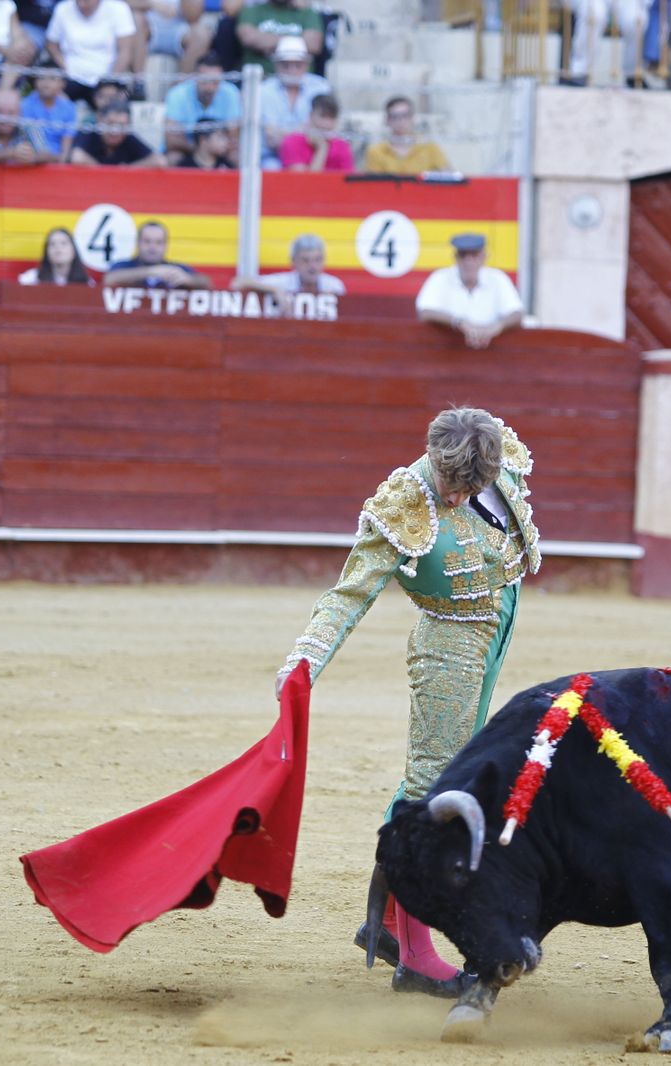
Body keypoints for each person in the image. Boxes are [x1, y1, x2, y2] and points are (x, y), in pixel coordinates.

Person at [277, 406, 541, 998]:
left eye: (468, 487)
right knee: (433, 788)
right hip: (447, 647)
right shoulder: (403, 504)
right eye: (450, 485)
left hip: (495, 630)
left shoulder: (504, 468)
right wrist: (304, 660)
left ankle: (390, 923)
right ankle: (415, 956)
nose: (455, 497)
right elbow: (349, 594)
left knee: (455, 775)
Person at [415, 233, 525, 350]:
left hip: (492, 352)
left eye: (474, 255)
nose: (468, 261)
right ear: (456, 257)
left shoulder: (497, 278)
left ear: (484, 257)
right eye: (463, 255)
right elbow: (425, 312)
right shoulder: (440, 277)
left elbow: (517, 313)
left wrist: (497, 327)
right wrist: (459, 323)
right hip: (448, 352)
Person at [45, 0, 136, 102]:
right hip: (71, 77)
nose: (82, 4)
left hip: (109, 76)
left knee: (116, 103)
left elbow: (125, 50)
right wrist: (66, 68)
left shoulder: (119, 9)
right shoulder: (63, 8)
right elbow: (51, 45)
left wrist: (110, 82)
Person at [258, 34, 326, 169]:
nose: (292, 70)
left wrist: (285, 137)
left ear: (306, 65)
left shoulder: (321, 87)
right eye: (286, 65)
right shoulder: (263, 91)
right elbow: (270, 138)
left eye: (297, 65)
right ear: (276, 65)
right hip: (272, 158)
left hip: (309, 156)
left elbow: (322, 129)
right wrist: (301, 134)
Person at [163, 50, 238, 163]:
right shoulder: (178, 94)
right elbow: (171, 140)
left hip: (219, 151)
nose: (209, 88)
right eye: (205, 82)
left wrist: (211, 148)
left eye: (215, 82)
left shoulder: (231, 93)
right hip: (188, 151)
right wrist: (202, 150)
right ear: (195, 78)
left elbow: (233, 137)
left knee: (237, 157)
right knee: (173, 157)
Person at [232, 231, 344, 300]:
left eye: (317, 260)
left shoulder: (333, 285)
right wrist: (275, 290)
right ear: (293, 262)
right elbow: (238, 283)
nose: (312, 266)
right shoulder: (283, 282)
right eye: (305, 260)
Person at [103, 218, 211, 288]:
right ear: (138, 243)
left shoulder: (175, 268)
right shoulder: (124, 266)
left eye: (158, 242)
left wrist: (188, 279)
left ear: (165, 245)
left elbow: (206, 282)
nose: (152, 247)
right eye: (147, 241)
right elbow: (109, 279)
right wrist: (152, 271)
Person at [362, 95, 448, 176]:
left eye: (405, 116)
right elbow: (373, 184)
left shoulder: (429, 148)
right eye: (395, 116)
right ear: (387, 120)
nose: (401, 121)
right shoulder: (376, 151)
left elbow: (450, 177)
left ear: (413, 118)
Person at [0, 86, 55, 164]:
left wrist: (32, 158)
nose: (4, 118)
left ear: (19, 113)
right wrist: (9, 153)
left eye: (11, 113)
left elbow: (46, 154)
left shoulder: (29, 126)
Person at [68, 97, 163, 164]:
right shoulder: (89, 132)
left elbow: (159, 161)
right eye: (110, 124)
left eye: (121, 126)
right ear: (100, 119)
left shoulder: (128, 138)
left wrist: (126, 171)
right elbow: (77, 157)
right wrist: (106, 174)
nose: (115, 131)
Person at [236, 0, 321, 74]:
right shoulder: (252, 10)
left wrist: (267, 41)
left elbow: (313, 45)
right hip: (262, 79)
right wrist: (297, 42)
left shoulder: (307, 13)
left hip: (301, 81)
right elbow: (249, 38)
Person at [276, 91, 350, 172]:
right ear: (311, 115)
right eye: (323, 116)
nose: (326, 124)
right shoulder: (292, 142)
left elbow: (348, 181)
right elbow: (304, 182)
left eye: (332, 118)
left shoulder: (342, 146)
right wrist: (322, 149)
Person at [135, 0, 212, 76]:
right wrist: (151, 4)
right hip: (146, 28)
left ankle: (183, 86)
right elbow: (126, 3)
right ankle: (138, 82)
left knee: (201, 35)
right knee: (136, 21)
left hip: (179, 29)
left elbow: (194, 16)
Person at [21, 59, 78, 158]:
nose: (46, 83)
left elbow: (66, 144)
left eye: (52, 78)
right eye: (41, 78)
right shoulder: (25, 105)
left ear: (62, 83)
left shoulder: (69, 108)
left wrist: (60, 168)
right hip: (29, 160)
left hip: (57, 162)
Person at [19, 226, 93, 284]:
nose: (58, 248)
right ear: (46, 252)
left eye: (63, 243)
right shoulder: (31, 280)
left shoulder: (86, 283)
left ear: (73, 251)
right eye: (52, 244)